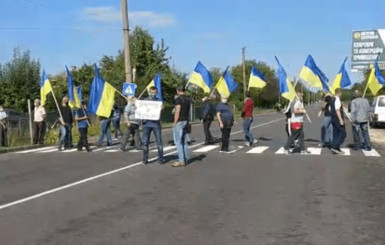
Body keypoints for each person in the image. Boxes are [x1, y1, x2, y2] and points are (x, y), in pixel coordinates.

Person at [142, 86, 164, 164]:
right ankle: (145, 159)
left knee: (159, 142)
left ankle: (160, 159)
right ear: (150, 92)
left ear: (156, 93)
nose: (153, 94)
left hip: (156, 124)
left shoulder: (159, 101)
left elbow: (160, 112)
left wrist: (161, 108)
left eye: (155, 92)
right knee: (145, 143)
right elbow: (141, 110)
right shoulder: (145, 101)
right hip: (146, 124)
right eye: (152, 92)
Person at [172, 86, 191, 167]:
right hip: (186, 121)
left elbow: (177, 112)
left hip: (180, 121)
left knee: (178, 142)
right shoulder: (188, 99)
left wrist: (175, 122)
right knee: (184, 141)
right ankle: (186, 158)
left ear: (177, 90)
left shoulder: (178, 99)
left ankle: (181, 160)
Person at [330, 88, 347, 154]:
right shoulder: (337, 99)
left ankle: (336, 148)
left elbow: (330, 109)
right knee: (343, 133)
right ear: (339, 93)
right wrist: (340, 120)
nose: (342, 94)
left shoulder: (332, 99)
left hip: (333, 118)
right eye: (341, 93)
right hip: (337, 118)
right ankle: (335, 147)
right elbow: (337, 110)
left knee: (336, 133)